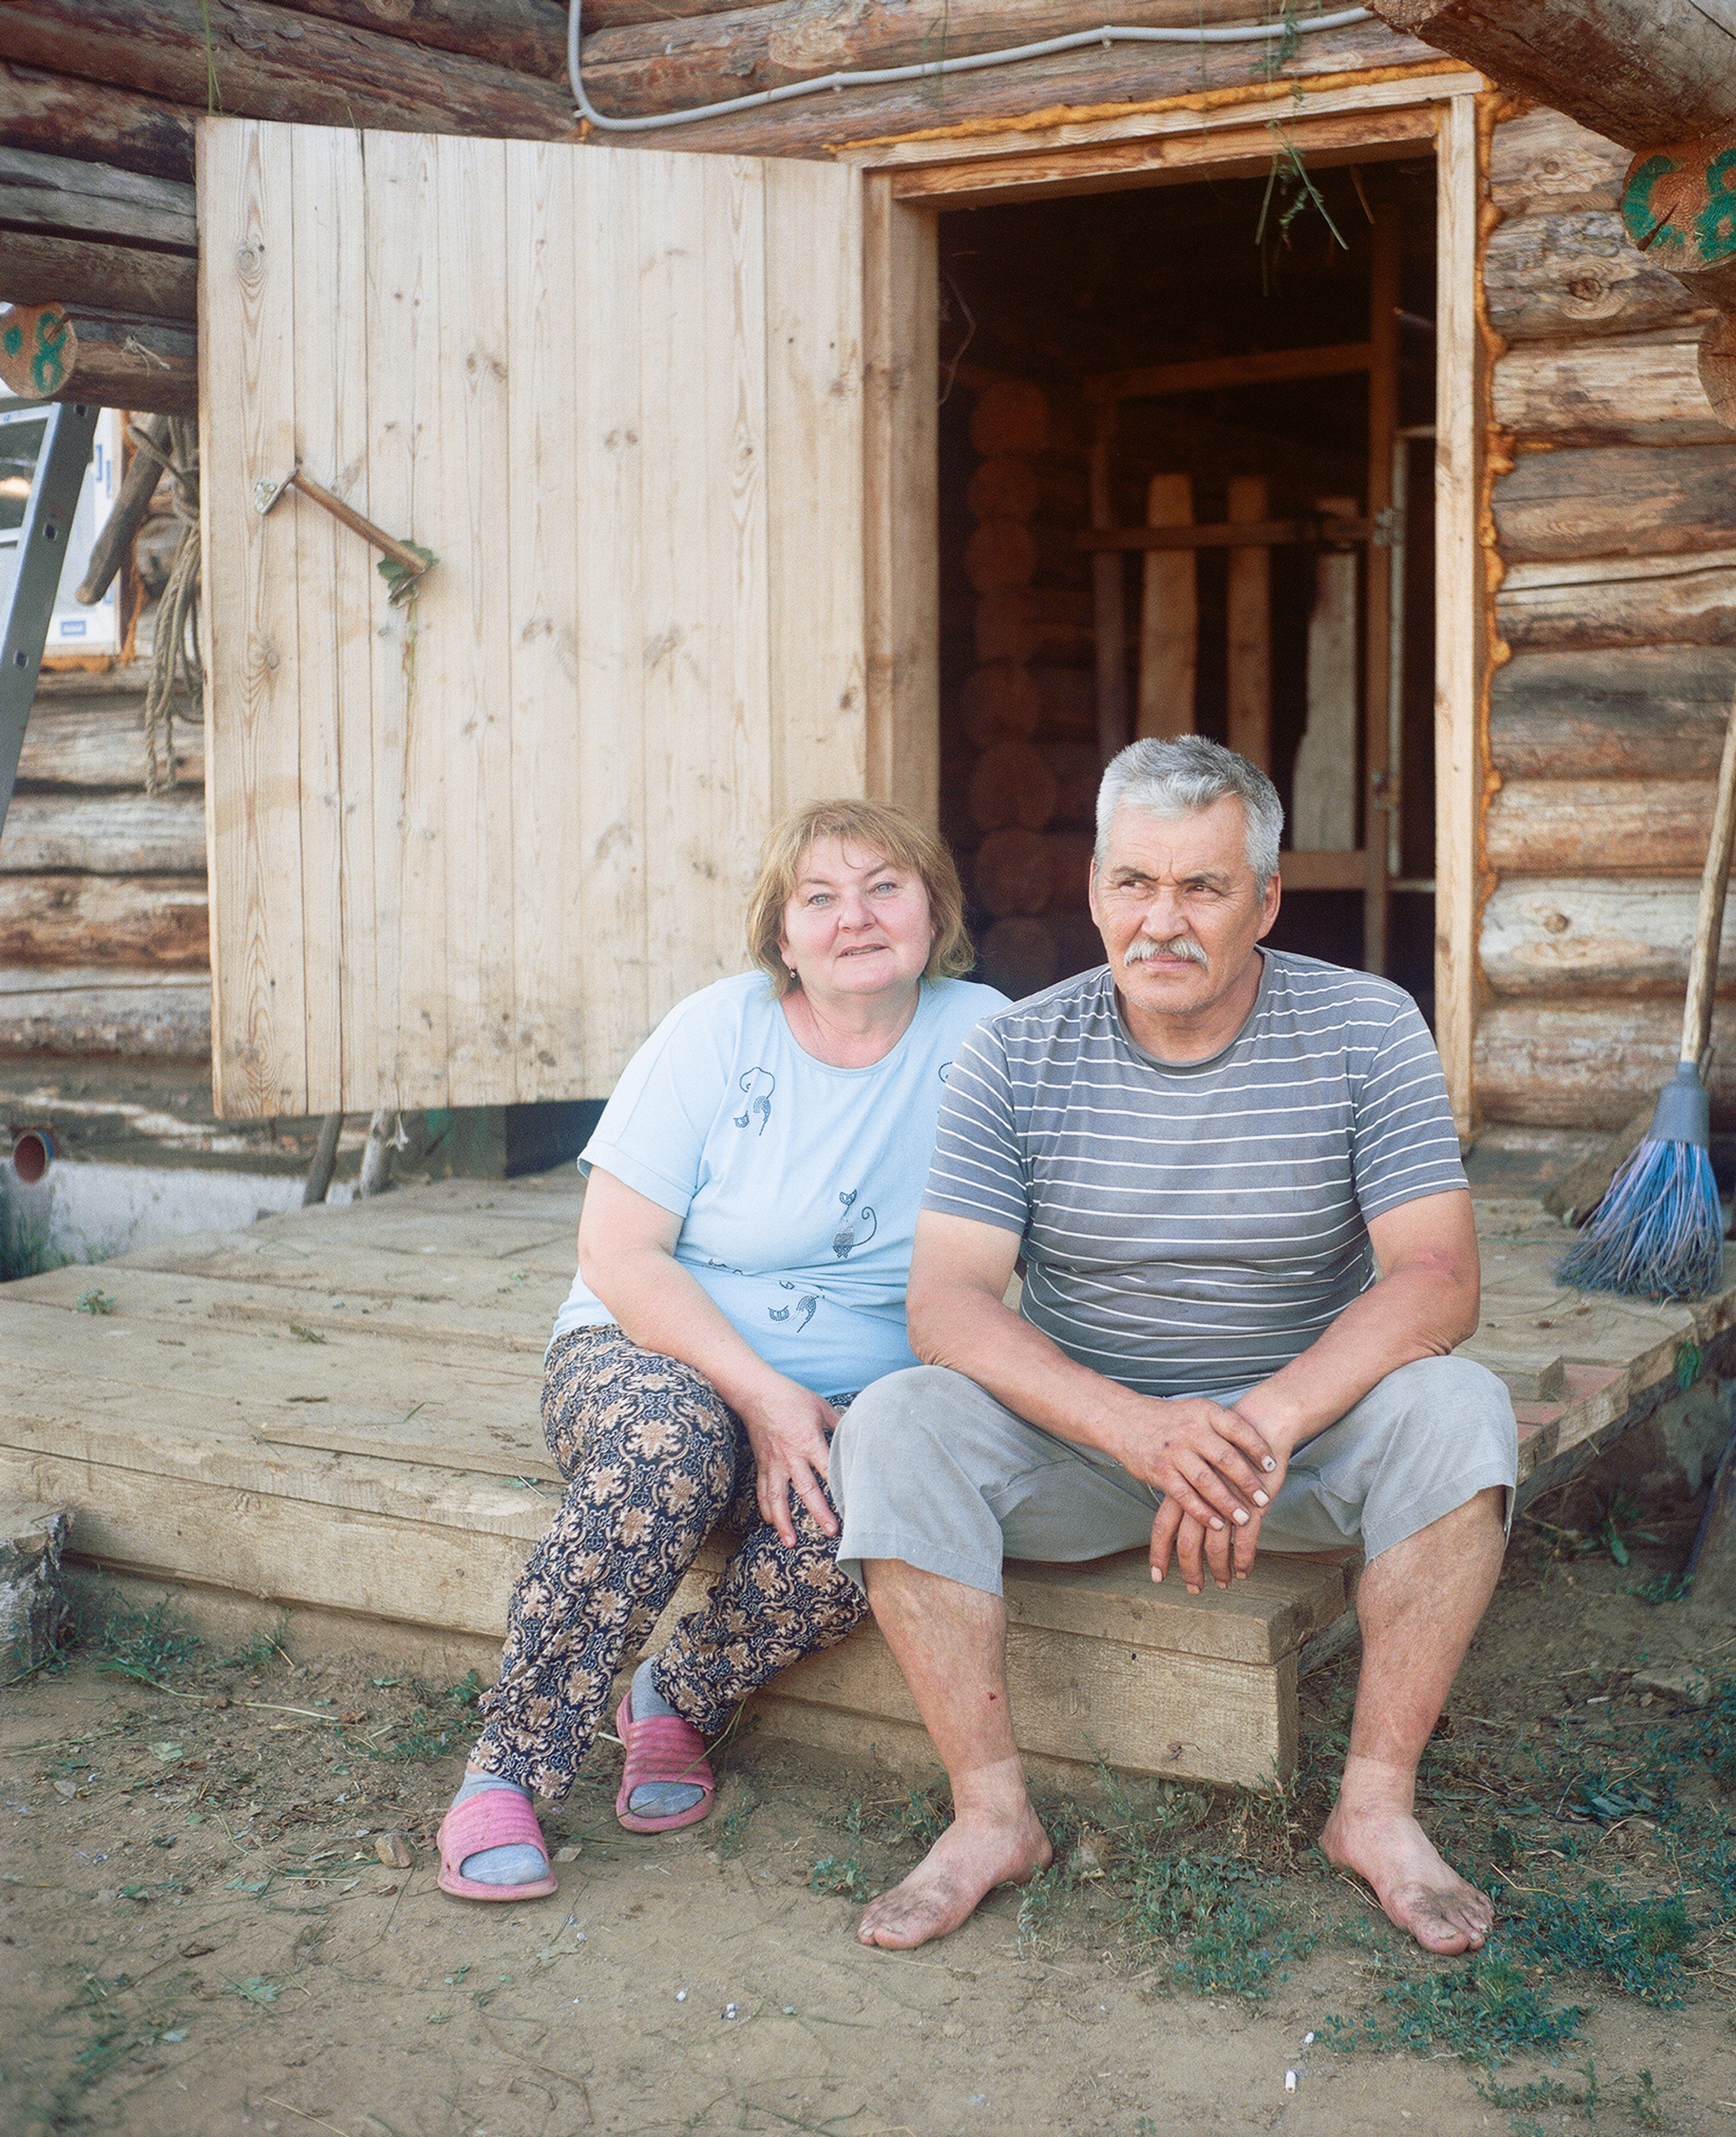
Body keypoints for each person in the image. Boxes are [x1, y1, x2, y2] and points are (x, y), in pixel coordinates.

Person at [827, 737, 1518, 1954]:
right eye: (1135, 883)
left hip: (1301, 1448)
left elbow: (1438, 1277)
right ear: (1095, 889)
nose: (1162, 921)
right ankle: (990, 1816)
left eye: (1203, 887)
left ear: (1267, 899)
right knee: (892, 1421)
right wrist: (1137, 1430)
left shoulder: (1367, 1025)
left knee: (1463, 1409)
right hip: (1088, 1449)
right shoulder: (1015, 1051)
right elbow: (948, 1303)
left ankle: (1376, 1808)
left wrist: (1266, 1422)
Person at [437, 799, 1006, 1902]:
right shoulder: (716, 1031)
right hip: (652, 1353)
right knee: (672, 1446)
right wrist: (761, 1393)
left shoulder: (987, 1037)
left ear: (934, 913)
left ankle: (677, 1697)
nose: (855, 918)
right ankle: (506, 1765)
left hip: (854, 1390)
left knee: (885, 1494)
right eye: (820, 897)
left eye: (885, 887)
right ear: (781, 934)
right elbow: (618, 1251)